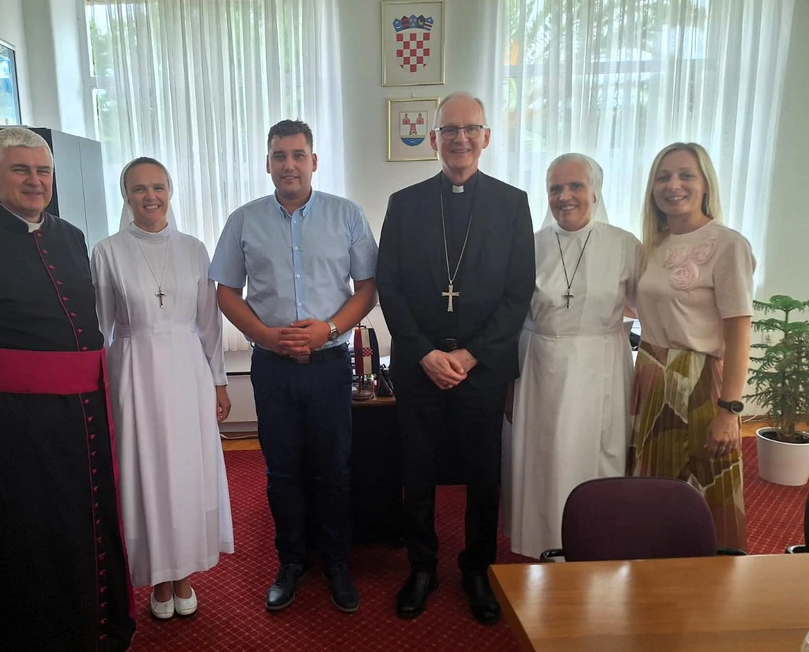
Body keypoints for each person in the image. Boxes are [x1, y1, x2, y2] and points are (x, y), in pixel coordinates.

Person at [0, 127, 136, 651]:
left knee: (79, 528)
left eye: (43, 171)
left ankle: (91, 629)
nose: (35, 181)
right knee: (25, 538)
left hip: (80, 419)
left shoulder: (71, 236)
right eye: (21, 170)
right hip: (5, 427)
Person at [376, 92, 535, 624]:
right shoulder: (406, 204)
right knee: (417, 471)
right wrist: (424, 352)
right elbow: (390, 287)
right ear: (434, 138)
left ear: (486, 137)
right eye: (449, 129)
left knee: (483, 474)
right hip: (419, 366)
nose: (460, 138)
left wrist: (471, 355)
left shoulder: (511, 204)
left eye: (470, 129)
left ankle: (477, 569)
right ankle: (421, 567)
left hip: (482, 369)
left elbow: (518, 292)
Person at [209, 119, 378, 613]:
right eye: (279, 156)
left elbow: (368, 287)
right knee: (282, 470)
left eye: (298, 155)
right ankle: (290, 562)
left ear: (314, 161)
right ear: (267, 164)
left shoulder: (346, 214)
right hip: (272, 366)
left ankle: (338, 563)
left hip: (329, 363)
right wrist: (264, 335)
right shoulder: (244, 220)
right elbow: (225, 290)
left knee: (333, 469)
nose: (289, 165)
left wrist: (330, 328)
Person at [91, 157, 234, 619]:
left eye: (158, 187)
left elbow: (208, 323)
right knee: (147, 470)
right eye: (139, 189)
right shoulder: (107, 251)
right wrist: (97, 389)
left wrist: (219, 381)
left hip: (188, 371)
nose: (150, 196)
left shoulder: (194, 249)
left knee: (186, 471)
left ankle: (184, 572)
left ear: (170, 191)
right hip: (134, 372)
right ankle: (157, 575)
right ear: (126, 196)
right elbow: (100, 327)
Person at [503, 153, 641, 560]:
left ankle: (597, 543)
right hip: (540, 365)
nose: (565, 196)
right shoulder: (528, 246)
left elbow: (648, 309)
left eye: (575, 186)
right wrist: (507, 384)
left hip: (603, 365)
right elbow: (510, 317)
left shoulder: (625, 245)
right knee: (544, 457)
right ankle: (542, 542)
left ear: (595, 190)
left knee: (599, 455)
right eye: (555, 188)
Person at [628, 142, 754, 550]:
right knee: (652, 488)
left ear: (705, 185)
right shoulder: (652, 244)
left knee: (705, 488)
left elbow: (739, 333)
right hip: (650, 375)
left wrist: (729, 410)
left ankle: (711, 579)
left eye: (686, 175)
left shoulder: (727, 245)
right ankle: (651, 574)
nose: (673, 185)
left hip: (699, 382)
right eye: (663, 177)